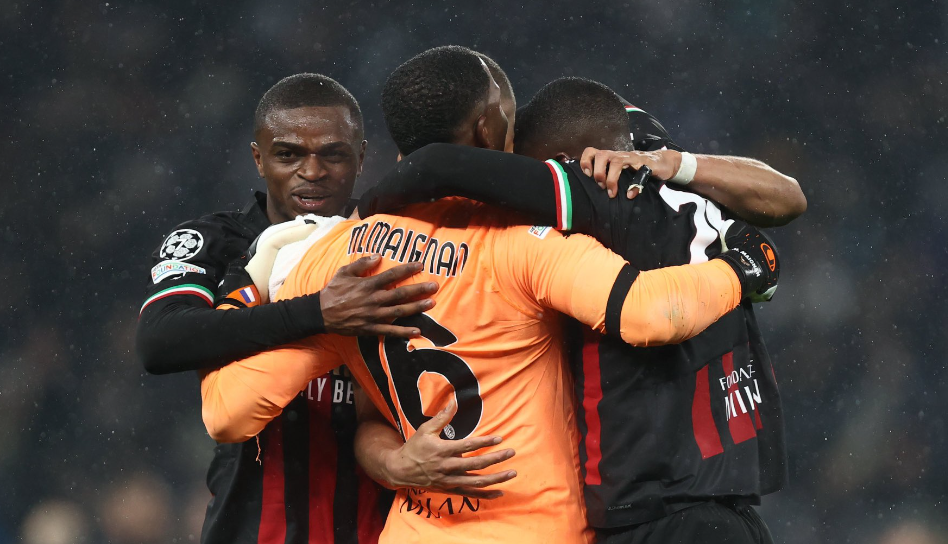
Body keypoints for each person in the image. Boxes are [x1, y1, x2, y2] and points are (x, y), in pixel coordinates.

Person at [199, 46, 780, 544]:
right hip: (537, 528)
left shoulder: (334, 260)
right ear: (488, 128)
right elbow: (653, 312)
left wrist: (245, 294)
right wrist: (742, 267)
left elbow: (227, 414)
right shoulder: (523, 246)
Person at [357, 75, 806, 543]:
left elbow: (436, 164)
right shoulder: (658, 157)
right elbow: (791, 197)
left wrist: (359, 220)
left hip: (656, 506)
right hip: (729, 492)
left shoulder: (597, 192)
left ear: (572, 161)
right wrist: (690, 177)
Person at [135, 73, 441, 544]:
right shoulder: (214, 243)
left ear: (361, 158)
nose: (312, 172)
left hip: (380, 528)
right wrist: (318, 313)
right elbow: (160, 341)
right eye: (288, 154)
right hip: (249, 529)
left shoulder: (398, 242)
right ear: (258, 158)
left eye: (333, 154)